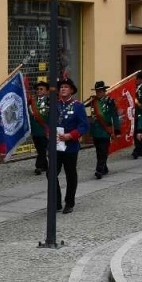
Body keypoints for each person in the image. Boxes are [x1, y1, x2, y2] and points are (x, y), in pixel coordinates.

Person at [53, 77, 87, 212]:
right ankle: (56, 201)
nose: (63, 89)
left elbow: (84, 126)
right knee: (51, 173)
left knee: (70, 174)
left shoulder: (78, 106)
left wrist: (70, 135)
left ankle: (69, 202)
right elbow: (48, 123)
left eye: (66, 87)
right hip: (56, 145)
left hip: (70, 146)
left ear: (71, 90)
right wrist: (50, 133)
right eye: (61, 87)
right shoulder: (55, 105)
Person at [87, 80, 121, 178]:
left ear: (104, 91)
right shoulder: (93, 102)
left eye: (101, 91)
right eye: (97, 91)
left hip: (105, 130)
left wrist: (117, 130)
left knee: (103, 150)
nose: (99, 93)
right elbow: (84, 107)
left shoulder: (110, 101)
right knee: (99, 151)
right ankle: (104, 167)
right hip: (95, 130)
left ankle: (99, 170)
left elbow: (115, 116)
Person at [29, 78, 52, 174]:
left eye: (41, 89)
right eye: (37, 89)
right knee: (39, 148)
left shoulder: (50, 101)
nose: (39, 91)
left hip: (44, 129)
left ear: (47, 91)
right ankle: (45, 165)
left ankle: (39, 166)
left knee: (42, 149)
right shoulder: (32, 101)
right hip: (35, 129)